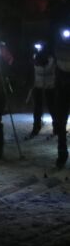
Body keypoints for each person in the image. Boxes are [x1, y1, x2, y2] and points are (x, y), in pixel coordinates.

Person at [29, 42, 56, 138]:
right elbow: (35, 67)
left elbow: (48, 69)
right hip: (38, 85)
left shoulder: (51, 58)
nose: (38, 49)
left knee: (52, 107)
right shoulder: (36, 56)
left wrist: (41, 62)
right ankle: (36, 127)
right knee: (37, 108)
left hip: (50, 86)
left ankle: (56, 127)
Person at [53, 28, 70, 168]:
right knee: (61, 123)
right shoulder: (58, 48)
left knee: (61, 122)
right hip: (62, 91)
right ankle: (62, 153)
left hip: (63, 89)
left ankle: (62, 153)